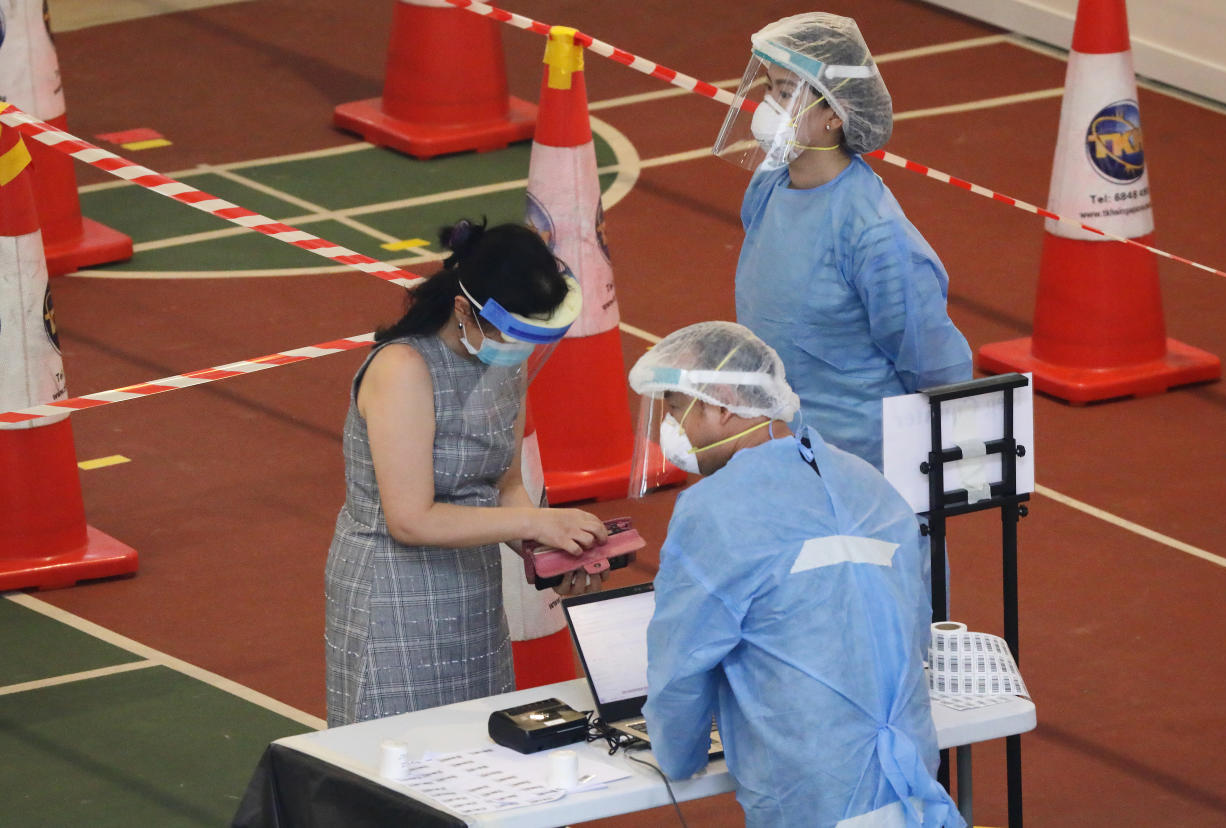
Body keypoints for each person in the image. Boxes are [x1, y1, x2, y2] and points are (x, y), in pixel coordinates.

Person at [628, 321, 963, 828]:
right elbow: (914, 630)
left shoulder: (713, 510)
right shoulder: (866, 481)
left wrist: (678, 755)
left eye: (676, 410)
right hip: (910, 778)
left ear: (721, 406)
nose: (671, 431)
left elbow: (681, 666)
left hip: (811, 791)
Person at [325, 219, 610, 728]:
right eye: (515, 332)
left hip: (474, 594)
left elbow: (505, 487)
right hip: (394, 598)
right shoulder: (402, 369)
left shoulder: (506, 361)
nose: (521, 348)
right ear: (464, 311)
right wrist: (537, 526)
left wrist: (551, 554)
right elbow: (411, 519)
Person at [716, 12, 973, 471]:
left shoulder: (875, 235)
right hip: (779, 443)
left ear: (834, 113)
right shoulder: (769, 185)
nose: (770, 107)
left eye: (787, 93)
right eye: (768, 90)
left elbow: (936, 367)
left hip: (860, 464)